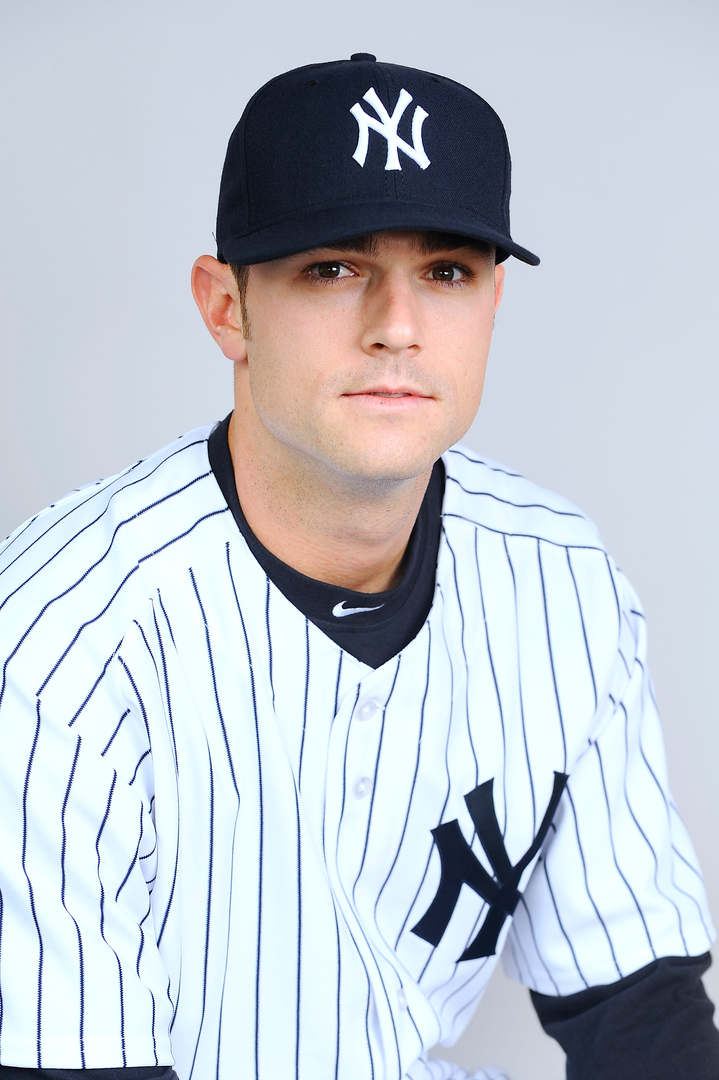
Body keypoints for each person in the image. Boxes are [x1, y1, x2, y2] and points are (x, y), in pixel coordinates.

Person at [0, 53, 717, 1080]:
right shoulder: (60, 638)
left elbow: (639, 1015)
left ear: (493, 303)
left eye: (445, 271)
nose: (396, 327)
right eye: (331, 268)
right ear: (225, 307)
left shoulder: (560, 578)